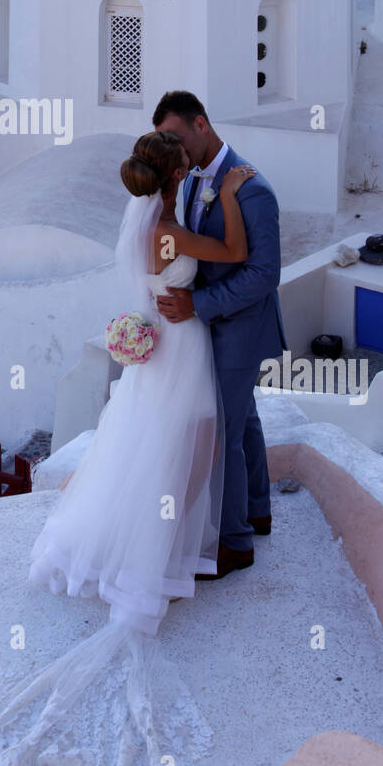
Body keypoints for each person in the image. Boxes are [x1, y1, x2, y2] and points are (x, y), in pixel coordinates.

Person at [0, 131, 257, 766]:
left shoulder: (143, 224)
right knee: (185, 452)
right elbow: (236, 250)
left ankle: (137, 548)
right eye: (183, 162)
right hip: (181, 350)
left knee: (144, 451)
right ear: (172, 177)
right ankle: (155, 558)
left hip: (155, 353)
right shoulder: (170, 233)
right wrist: (228, 188)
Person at [152, 90, 287, 579]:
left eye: (178, 136)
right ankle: (256, 510)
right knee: (244, 419)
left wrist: (198, 305)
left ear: (202, 124)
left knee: (222, 433)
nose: (176, 149)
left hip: (240, 328)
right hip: (209, 327)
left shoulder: (254, 190)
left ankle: (234, 542)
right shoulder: (188, 181)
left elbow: (263, 274)